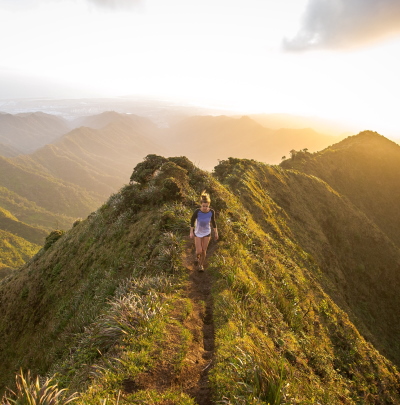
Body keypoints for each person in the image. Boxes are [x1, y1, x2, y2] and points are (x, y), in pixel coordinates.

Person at [190, 191, 218, 271]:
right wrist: (191, 232)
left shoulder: (211, 212)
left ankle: (200, 265)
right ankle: (196, 257)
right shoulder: (197, 212)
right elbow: (192, 221)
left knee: (203, 251)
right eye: (203, 206)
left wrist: (216, 233)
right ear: (201, 205)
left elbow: (213, 222)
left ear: (209, 205)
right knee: (199, 250)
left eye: (206, 206)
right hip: (198, 233)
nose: (205, 207)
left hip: (207, 233)